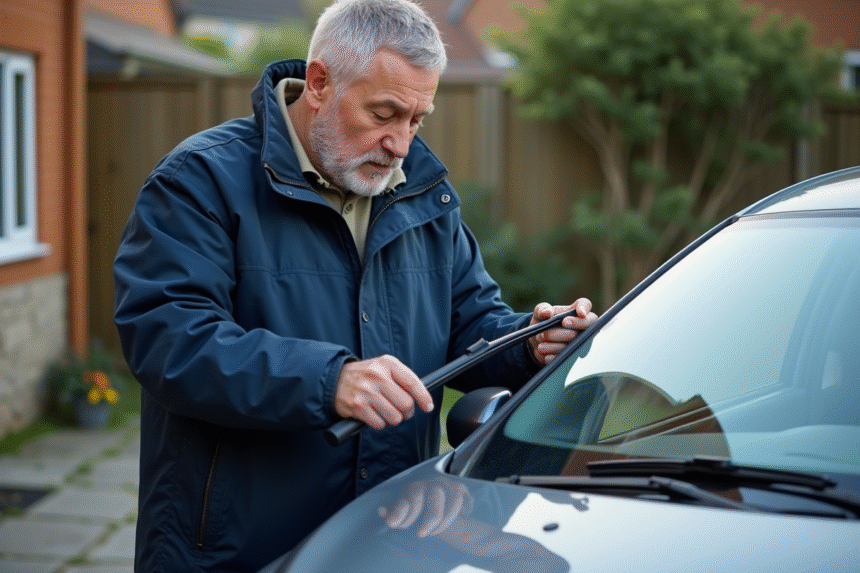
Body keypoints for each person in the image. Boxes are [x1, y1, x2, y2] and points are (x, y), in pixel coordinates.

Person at [113, 0, 597, 570]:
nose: (401, 144)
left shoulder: (423, 195)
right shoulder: (200, 181)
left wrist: (529, 343)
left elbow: (470, 324)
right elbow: (169, 339)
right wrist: (328, 380)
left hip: (389, 539)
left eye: (416, 120)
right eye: (384, 114)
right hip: (236, 551)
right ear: (319, 83)